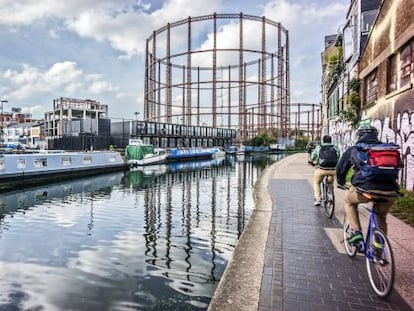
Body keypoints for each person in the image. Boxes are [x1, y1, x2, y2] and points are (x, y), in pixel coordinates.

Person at [336, 125, 400, 244]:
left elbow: (341, 168)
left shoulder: (355, 149)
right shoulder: (388, 150)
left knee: (349, 203)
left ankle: (356, 233)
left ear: (359, 136)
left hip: (365, 190)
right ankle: (378, 252)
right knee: (381, 216)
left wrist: (340, 182)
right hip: (390, 191)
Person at [310, 135, 340, 206]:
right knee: (330, 183)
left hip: (321, 169)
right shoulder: (335, 148)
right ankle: (330, 195)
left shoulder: (319, 147)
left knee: (316, 182)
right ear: (330, 140)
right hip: (333, 170)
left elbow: (313, 157)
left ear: (323, 141)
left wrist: (312, 161)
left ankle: (318, 199)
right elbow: (339, 156)